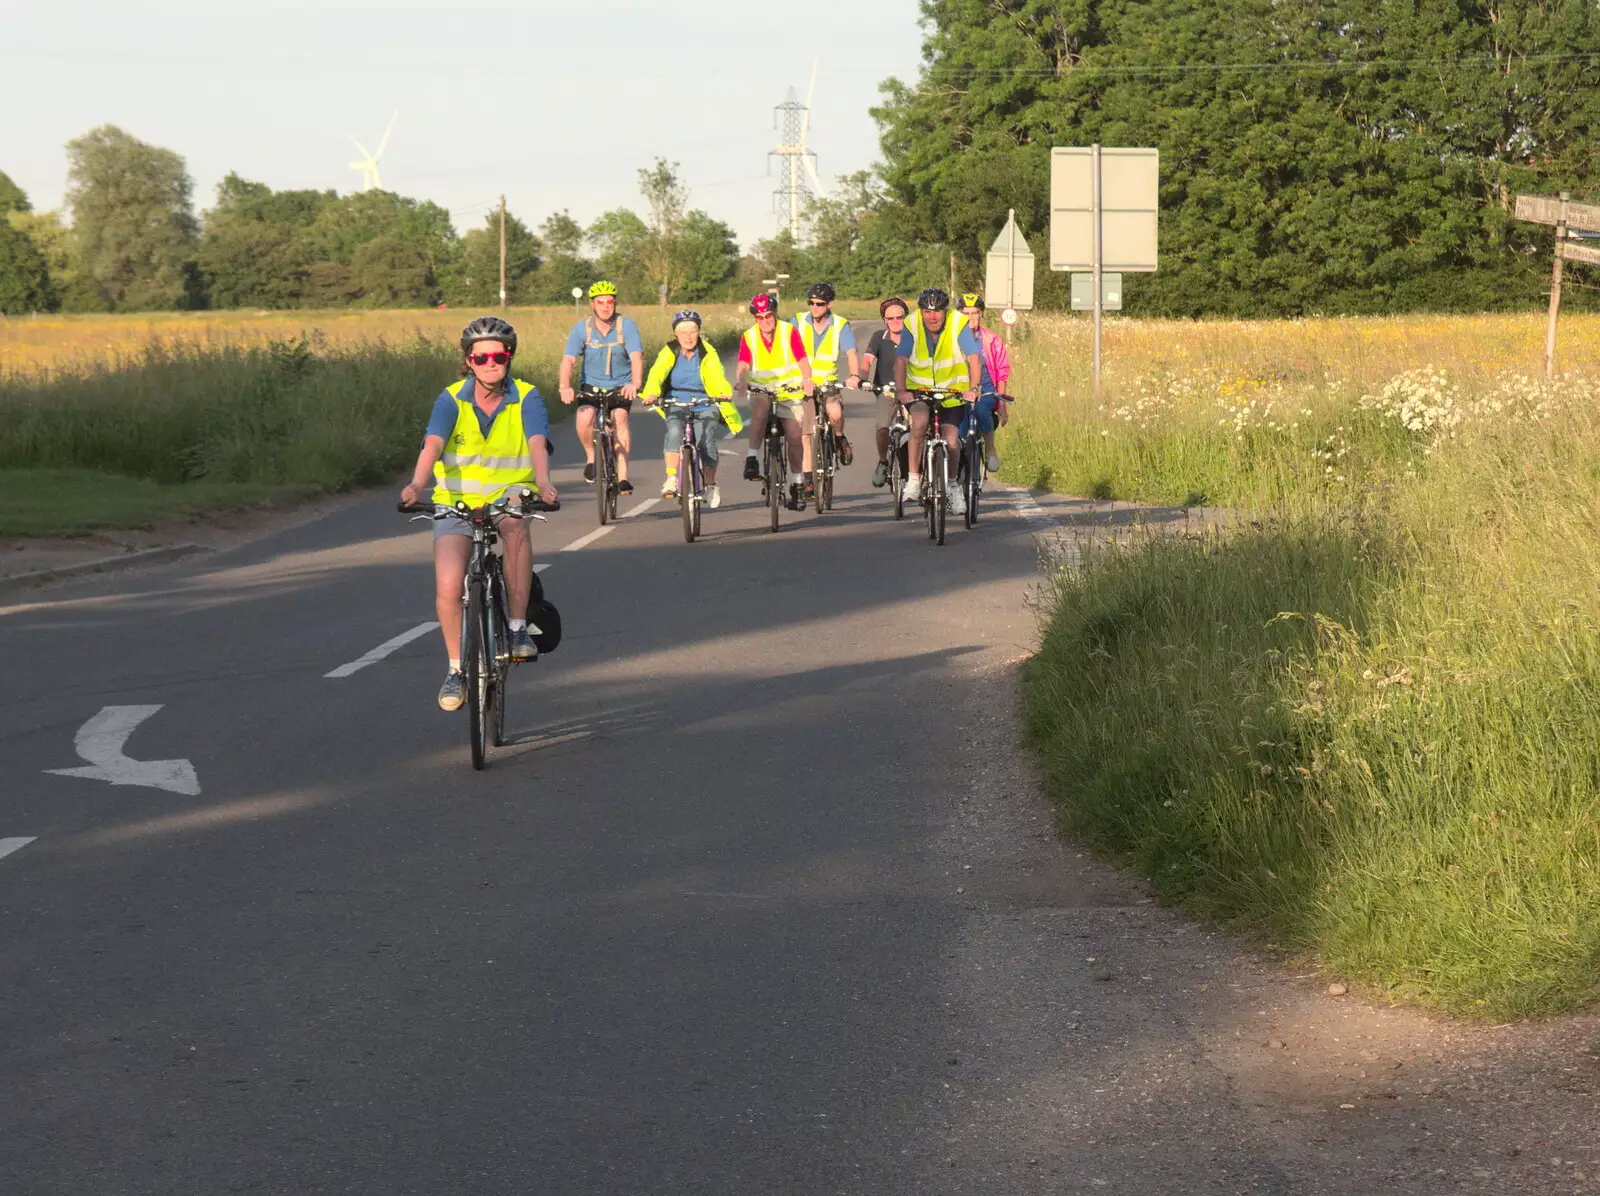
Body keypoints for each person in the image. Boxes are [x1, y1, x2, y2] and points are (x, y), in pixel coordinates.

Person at [400, 316, 558, 712]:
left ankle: (518, 628)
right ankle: (456, 670)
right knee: (451, 586)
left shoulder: (527, 396)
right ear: (468, 361)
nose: (491, 363)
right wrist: (417, 485)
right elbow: (432, 445)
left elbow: (537, 442)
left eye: (499, 356)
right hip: (457, 501)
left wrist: (543, 482)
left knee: (515, 526)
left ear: (510, 357)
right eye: (481, 357)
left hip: (509, 494)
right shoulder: (451, 399)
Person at [891, 287, 982, 515]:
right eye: (927, 312)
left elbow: (973, 358)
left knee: (952, 439)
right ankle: (913, 479)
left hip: (953, 392)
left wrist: (973, 388)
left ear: (945, 310)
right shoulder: (911, 324)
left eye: (938, 311)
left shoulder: (958, 323)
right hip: (919, 390)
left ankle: (952, 486)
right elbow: (901, 359)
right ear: (921, 312)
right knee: (920, 423)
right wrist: (902, 390)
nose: (933, 317)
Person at [641, 310, 742, 509]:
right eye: (683, 332)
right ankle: (671, 478)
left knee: (706, 441)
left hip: (705, 401)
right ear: (675, 334)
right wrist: (651, 393)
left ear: (699, 332)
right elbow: (657, 373)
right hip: (675, 400)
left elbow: (717, 375)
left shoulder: (707, 351)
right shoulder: (670, 350)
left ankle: (711, 484)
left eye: (693, 331)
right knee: (675, 431)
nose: (688, 336)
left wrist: (723, 393)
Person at [559, 280, 644, 495]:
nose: (606, 306)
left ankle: (623, 478)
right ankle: (591, 457)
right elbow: (568, 360)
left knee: (620, 418)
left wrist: (635, 383)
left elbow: (636, 357)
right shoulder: (581, 329)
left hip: (620, 385)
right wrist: (564, 386)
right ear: (592, 304)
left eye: (610, 302)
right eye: (600, 302)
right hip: (592, 385)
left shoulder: (627, 326)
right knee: (584, 416)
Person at [735, 292, 815, 509]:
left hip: (789, 391)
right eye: (759, 317)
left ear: (775, 313)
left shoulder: (789, 331)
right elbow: (743, 363)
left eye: (768, 315)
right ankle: (752, 458)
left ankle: (797, 482)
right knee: (760, 408)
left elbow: (801, 359)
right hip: (761, 389)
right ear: (754, 318)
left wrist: (807, 379)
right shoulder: (749, 336)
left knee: (795, 435)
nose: (765, 321)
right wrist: (742, 381)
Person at [792, 281, 861, 467]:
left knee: (836, 414)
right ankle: (808, 480)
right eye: (811, 303)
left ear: (829, 304)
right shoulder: (798, 321)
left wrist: (854, 375)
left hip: (828, 384)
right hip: (802, 385)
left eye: (820, 303)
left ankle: (839, 438)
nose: (814, 307)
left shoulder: (839, 324)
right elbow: (786, 349)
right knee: (805, 431)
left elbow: (851, 353)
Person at [861, 296, 911, 488]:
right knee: (882, 427)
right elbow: (867, 360)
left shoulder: (915, 337)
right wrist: (862, 378)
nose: (896, 321)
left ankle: (919, 472)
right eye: (891, 318)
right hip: (887, 391)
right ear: (885, 321)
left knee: (919, 430)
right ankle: (883, 461)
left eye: (900, 317)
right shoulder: (878, 337)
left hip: (911, 391)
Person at [960, 293, 1012, 473]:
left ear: (981, 314)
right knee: (960, 425)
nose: (970, 318)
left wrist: (1002, 402)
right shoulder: (952, 339)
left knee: (982, 411)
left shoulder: (992, 339)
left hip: (986, 389)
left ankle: (990, 451)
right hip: (960, 390)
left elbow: (1002, 371)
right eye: (966, 313)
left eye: (975, 313)